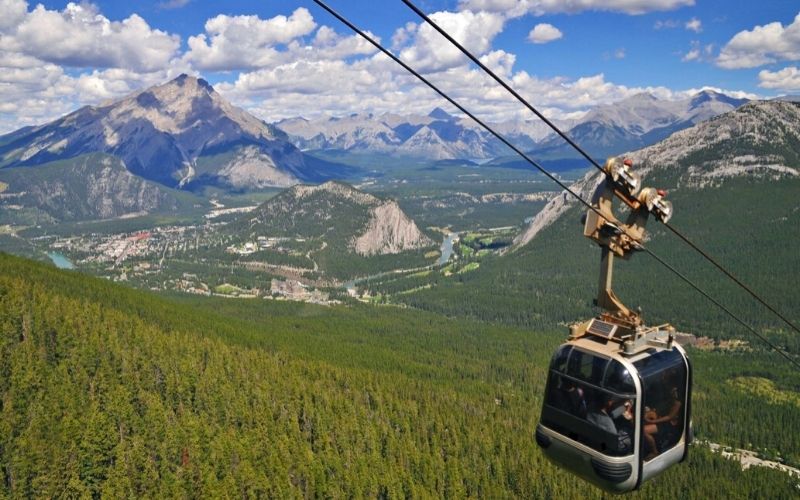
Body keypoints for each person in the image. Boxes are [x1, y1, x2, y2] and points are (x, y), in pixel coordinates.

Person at [643, 386, 682, 460]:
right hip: (662, 420)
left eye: (674, 391)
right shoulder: (670, 399)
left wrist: (652, 421)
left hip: (668, 425)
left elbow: (669, 417)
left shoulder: (677, 403)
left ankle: (654, 451)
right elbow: (660, 408)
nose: (673, 391)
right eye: (672, 390)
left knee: (644, 430)